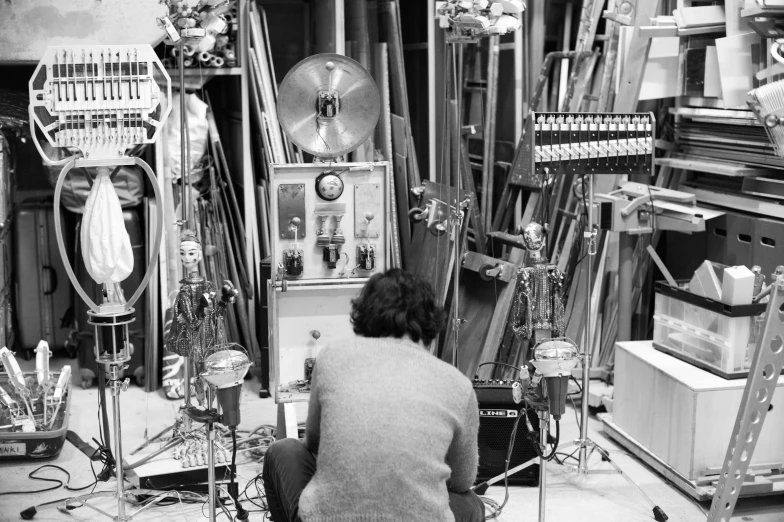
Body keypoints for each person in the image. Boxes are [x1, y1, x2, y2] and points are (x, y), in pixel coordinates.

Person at [263, 268, 485, 522]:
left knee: (283, 450)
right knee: (471, 504)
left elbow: (313, 443)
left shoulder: (331, 358)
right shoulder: (458, 384)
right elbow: (462, 480)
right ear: (430, 328)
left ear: (363, 317)